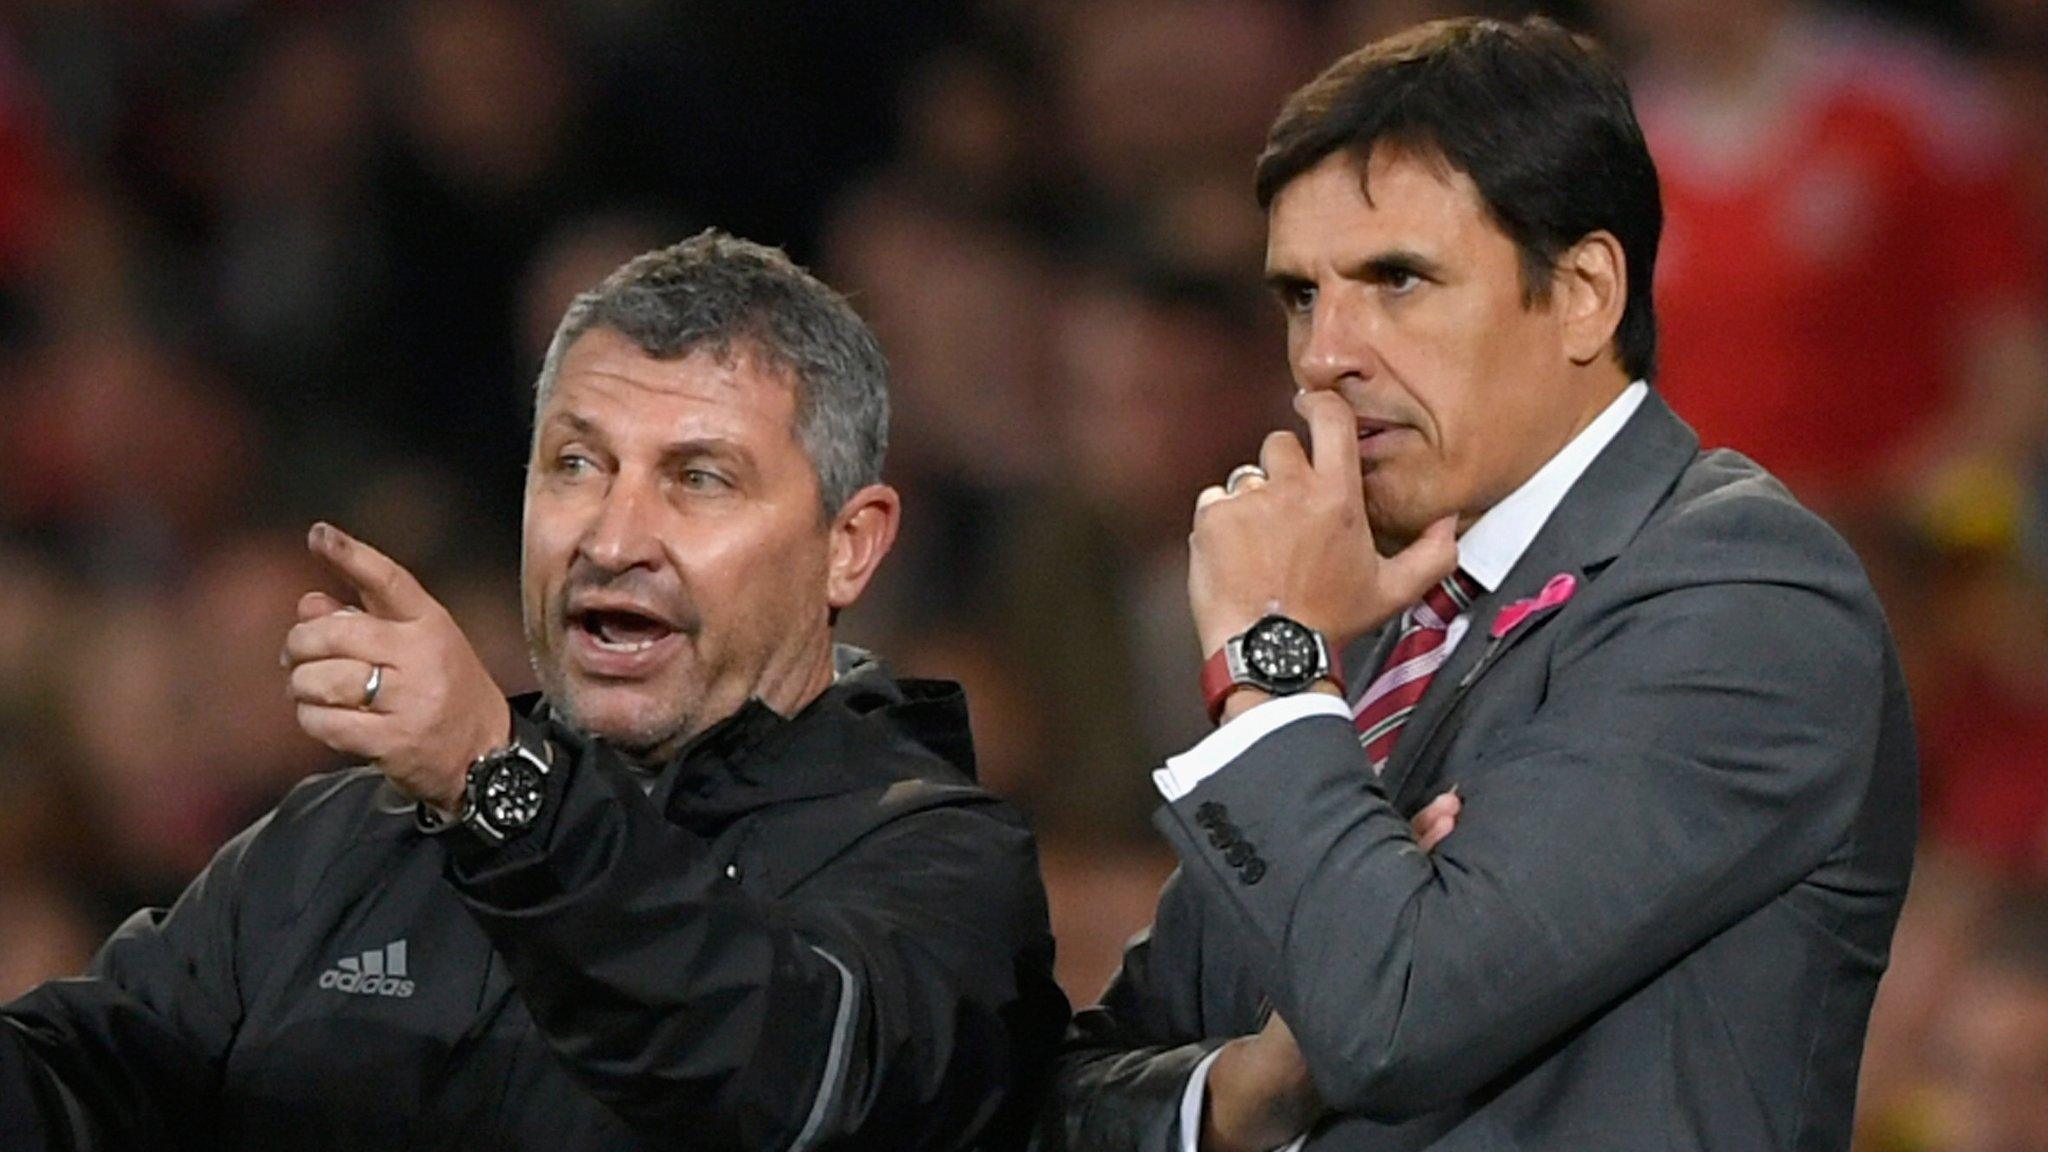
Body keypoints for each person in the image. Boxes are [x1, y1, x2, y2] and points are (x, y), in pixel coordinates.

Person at [1044, 17, 1916, 1152]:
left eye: (1396, 280)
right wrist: (1238, 1097)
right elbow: (1075, 1086)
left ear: (1584, 293)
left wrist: (1266, 655)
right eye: (1299, 295)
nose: (1323, 355)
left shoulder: (1744, 595)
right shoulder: (1380, 632)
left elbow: (1391, 1017)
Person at [1, 230, 1068, 1150]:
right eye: (573, 464)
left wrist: (495, 789)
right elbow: (82, 1079)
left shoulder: (942, 870)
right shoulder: (342, 839)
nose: (610, 537)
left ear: (849, 546)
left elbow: (783, 1088)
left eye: (697, 478)